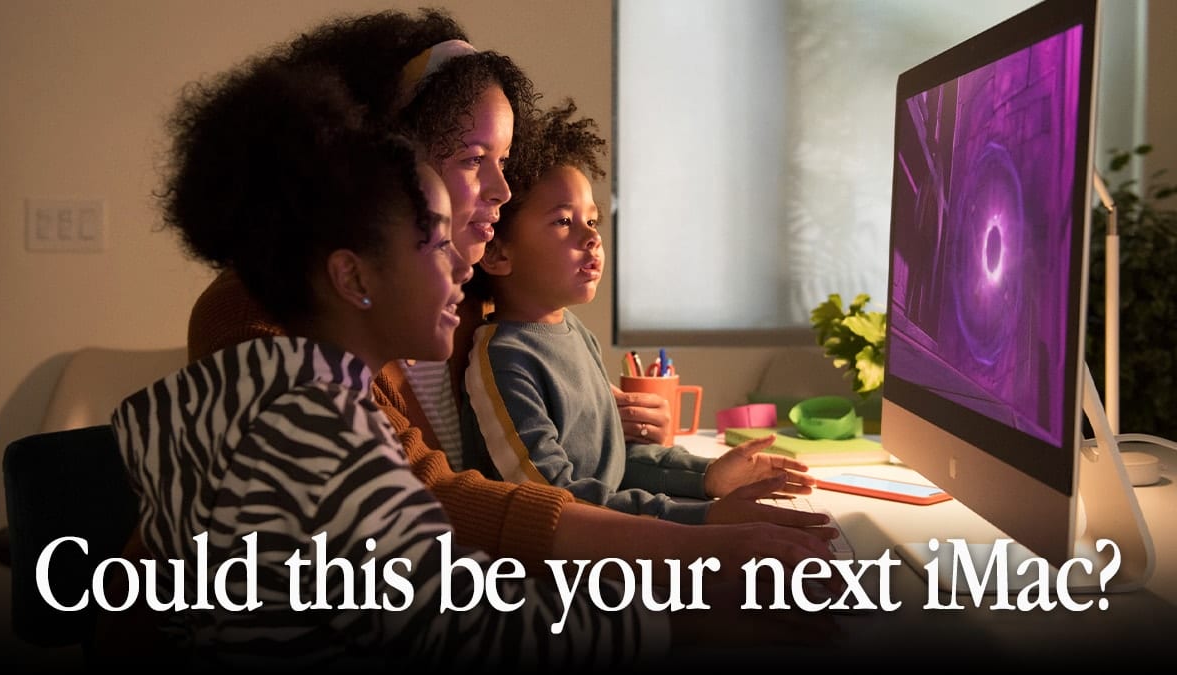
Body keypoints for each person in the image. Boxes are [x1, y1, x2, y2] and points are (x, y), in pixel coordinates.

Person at [116, 55, 837, 668]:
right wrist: (689, 602)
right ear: (355, 270)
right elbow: (466, 613)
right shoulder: (315, 411)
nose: (466, 271)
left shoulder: (259, 387)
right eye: (433, 237)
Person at [462, 102, 817, 525]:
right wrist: (700, 518)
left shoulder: (574, 333)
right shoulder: (502, 358)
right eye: (562, 222)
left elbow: (614, 465)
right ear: (498, 254)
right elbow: (554, 499)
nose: (591, 239)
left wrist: (708, 476)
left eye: (592, 221)